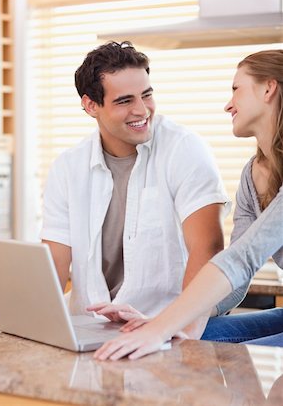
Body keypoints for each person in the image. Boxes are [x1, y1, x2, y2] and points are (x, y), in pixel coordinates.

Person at [92, 49, 283, 361]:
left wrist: (164, 325)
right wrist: (167, 320)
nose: (228, 104)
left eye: (236, 89)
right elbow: (235, 281)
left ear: (268, 88)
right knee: (181, 345)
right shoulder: (252, 176)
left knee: (242, 360)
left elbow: (242, 259)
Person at [40, 41, 231, 339]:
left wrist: (182, 334)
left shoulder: (184, 149)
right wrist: (38, 327)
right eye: (124, 101)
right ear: (91, 105)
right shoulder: (67, 167)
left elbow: (207, 249)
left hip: (160, 328)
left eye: (147, 95)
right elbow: (53, 265)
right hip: (89, 331)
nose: (142, 110)